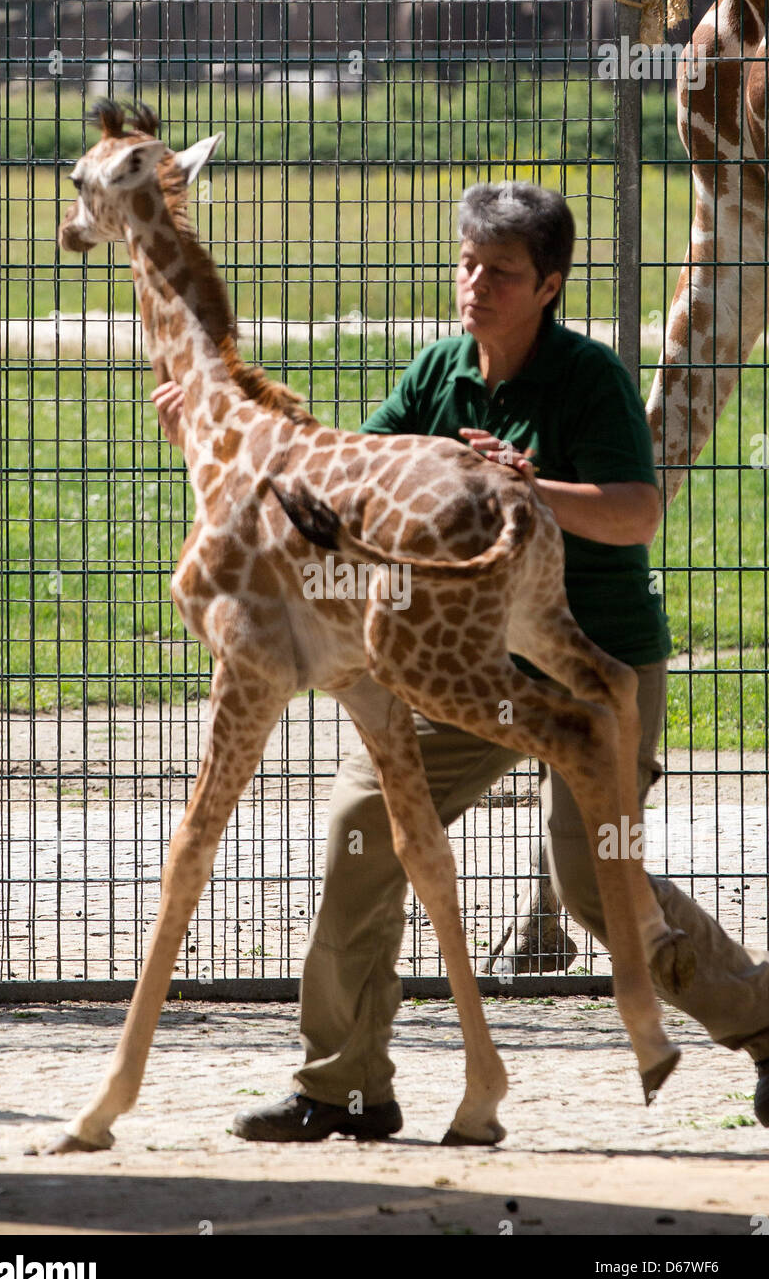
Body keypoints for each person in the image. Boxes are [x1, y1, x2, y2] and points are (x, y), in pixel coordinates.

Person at [152, 181, 769, 1140]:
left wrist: (523, 486)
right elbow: (350, 471)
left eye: (502, 273)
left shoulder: (588, 378)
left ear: (550, 286)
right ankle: (344, 1087)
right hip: (449, 658)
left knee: (591, 875)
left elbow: (636, 512)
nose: (475, 284)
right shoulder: (439, 372)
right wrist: (204, 419)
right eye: (467, 263)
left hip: (589, 660)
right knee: (362, 830)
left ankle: (762, 1019)